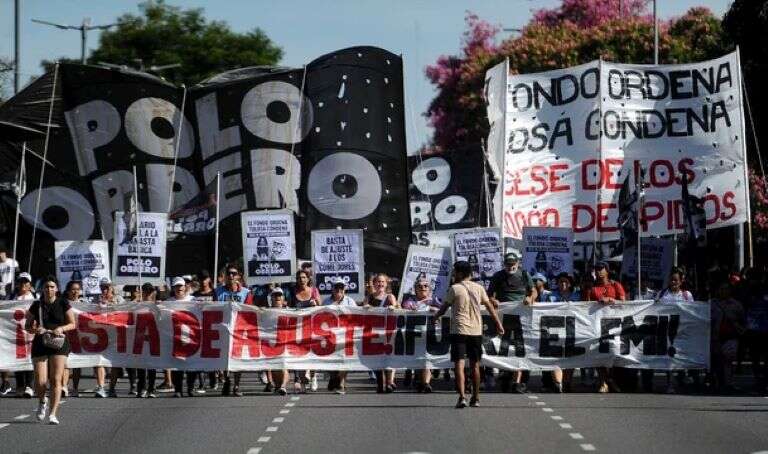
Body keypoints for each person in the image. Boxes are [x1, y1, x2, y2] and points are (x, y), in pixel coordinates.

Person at [433, 261, 504, 408]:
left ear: (459, 273)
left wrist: (435, 317)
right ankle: (476, 398)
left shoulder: (454, 288)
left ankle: (462, 397)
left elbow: (444, 308)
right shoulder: (479, 288)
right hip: (476, 331)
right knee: (475, 365)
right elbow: (490, 307)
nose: (453, 274)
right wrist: (498, 323)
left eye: (455, 272)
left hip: (459, 330)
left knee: (459, 364)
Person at [25, 276, 76, 424]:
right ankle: (42, 401)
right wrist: (35, 330)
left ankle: (53, 414)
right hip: (41, 342)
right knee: (40, 381)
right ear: (42, 289)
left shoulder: (63, 303)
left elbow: (72, 324)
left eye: (52, 286)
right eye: (46, 286)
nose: (49, 289)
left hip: (59, 343)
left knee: (55, 379)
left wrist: (61, 328)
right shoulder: (37, 305)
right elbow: (27, 325)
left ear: (57, 289)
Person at [488, 253, 536, 393]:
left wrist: (530, 298)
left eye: (513, 264)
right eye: (508, 264)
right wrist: (493, 300)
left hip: (523, 318)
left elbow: (534, 291)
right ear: (504, 264)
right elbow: (489, 295)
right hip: (504, 318)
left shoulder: (524, 275)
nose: (510, 266)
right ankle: (506, 375)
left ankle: (519, 381)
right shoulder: (498, 276)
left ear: (518, 263)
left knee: (521, 347)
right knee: (505, 347)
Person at [588, 261, 626, 393]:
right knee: (599, 353)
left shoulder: (615, 285)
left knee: (614, 352)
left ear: (607, 271)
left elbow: (624, 303)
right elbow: (586, 305)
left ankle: (610, 379)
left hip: (614, 325)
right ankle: (603, 381)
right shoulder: (593, 288)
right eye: (596, 269)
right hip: (597, 325)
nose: (598, 271)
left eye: (601, 269)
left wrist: (611, 300)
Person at [215, 264, 252, 396]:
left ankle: (236, 385)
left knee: (237, 358)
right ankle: (226, 380)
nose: (231, 276)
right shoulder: (218, 292)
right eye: (229, 273)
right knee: (225, 357)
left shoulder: (246, 293)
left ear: (238, 276)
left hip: (239, 330)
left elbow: (249, 311)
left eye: (234, 273)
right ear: (225, 276)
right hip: (223, 329)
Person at [401, 278, 442, 393]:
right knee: (418, 359)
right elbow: (405, 307)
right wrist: (418, 308)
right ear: (415, 289)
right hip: (414, 335)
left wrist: (436, 309)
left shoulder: (434, 300)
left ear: (429, 289)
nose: (423, 288)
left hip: (429, 334)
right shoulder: (410, 301)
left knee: (427, 359)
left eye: (425, 286)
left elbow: (444, 309)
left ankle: (426, 383)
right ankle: (415, 376)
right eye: (419, 286)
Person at [547, 272, 581, 392]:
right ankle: (558, 383)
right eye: (561, 281)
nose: (563, 284)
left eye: (566, 282)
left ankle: (567, 382)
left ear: (570, 283)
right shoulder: (551, 296)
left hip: (572, 329)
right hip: (555, 329)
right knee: (555, 357)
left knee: (570, 357)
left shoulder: (577, 296)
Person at [364, 273, 399, 393]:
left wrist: (394, 307)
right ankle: (380, 383)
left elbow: (397, 308)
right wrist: (366, 307)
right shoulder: (369, 297)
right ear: (374, 283)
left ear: (386, 283)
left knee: (388, 357)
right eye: (378, 281)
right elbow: (362, 310)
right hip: (374, 332)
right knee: (377, 358)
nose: (380, 284)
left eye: (382, 282)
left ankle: (389, 382)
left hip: (388, 332)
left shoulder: (390, 297)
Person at [322, 278, 357, 394]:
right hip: (330, 336)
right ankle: (334, 377)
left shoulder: (350, 302)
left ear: (344, 289)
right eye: (336, 287)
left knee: (344, 360)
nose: (338, 290)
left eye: (341, 287)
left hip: (345, 335)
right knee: (330, 360)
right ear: (332, 289)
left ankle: (341, 384)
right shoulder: (326, 302)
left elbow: (357, 316)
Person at [711, 282, 746, 393]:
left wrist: (740, 330)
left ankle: (728, 384)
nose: (723, 291)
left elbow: (743, 321)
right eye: (721, 289)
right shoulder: (712, 303)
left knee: (728, 360)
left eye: (725, 289)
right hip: (715, 337)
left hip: (731, 337)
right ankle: (718, 383)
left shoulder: (736, 305)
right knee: (717, 361)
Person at [291, 269, 321, 392]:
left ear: (308, 279)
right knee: (300, 355)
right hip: (298, 329)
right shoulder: (293, 292)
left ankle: (313, 377)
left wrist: (316, 304)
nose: (302, 280)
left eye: (304, 277)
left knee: (312, 354)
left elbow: (321, 307)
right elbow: (288, 308)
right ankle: (303, 380)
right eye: (299, 278)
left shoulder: (314, 291)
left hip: (312, 328)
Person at [168, 276, 196, 397]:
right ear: (173, 288)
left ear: (185, 287)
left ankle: (190, 387)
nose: (179, 288)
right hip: (175, 337)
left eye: (181, 286)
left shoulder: (193, 300)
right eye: (177, 286)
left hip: (191, 336)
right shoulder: (169, 302)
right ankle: (178, 389)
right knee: (176, 365)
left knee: (192, 364)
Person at [13, 272, 37, 398]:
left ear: (30, 284)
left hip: (30, 333)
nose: (23, 284)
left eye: (25, 282)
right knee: (17, 359)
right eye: (21, 282)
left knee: (29, 358)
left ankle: (29, 386)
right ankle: (20, 385)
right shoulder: (11, 298)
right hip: (15, 333)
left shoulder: (35, 298)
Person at [62, 280, 86, 398]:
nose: (75, 291)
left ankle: (75, 388)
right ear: (68, 291)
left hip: (79, 337)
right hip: (66, 336)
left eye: (77, 289)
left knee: (77, 364)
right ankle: (64, 386)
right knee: (66, 363)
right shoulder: (63, 303)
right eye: (73, 289)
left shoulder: (84, 304)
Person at [135, 283, 158, 398]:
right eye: (146, 291)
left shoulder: (157, 307)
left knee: (152, 365)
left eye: (150, 292)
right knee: (141, 366)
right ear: (142, 292)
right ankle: (141, 388)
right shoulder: (137, 306)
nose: (148, 294)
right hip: (140, 339)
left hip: (153, 339)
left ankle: (151, 389)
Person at [267, 288, 291, 395]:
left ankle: (283, 386)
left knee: (284, 365)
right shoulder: (266, 312)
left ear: (283, 298)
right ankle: (278, 386)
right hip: (271, 343)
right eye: (275, 295)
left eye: (279, 295)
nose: (277, 297)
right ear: (271, 298)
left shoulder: (289, 311)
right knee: (275, 368)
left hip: (285, 342)